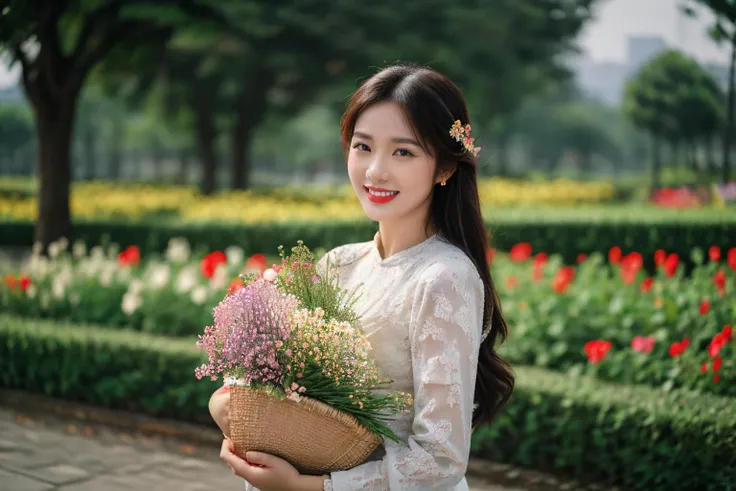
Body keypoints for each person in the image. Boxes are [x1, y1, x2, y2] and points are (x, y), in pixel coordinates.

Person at [211, 63, 515, 490]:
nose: (375, 171)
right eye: (363, 146)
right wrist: (229, 406)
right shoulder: (339, 265)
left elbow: (441, 462)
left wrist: (311, 487)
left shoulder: (443, 278)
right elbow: (270, 374)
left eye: (403, 152)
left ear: (444, 168)